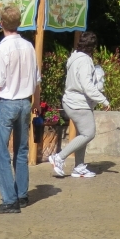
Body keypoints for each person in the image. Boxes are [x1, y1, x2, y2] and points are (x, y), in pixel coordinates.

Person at [0, 5, 40, 214]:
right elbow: (36, 79)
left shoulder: (3, 48)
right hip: (25, 101)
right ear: (19, 23)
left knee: (1, 152)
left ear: (1, 24)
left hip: (7, 103)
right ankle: (22, 194)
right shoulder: (29, 47)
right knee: (21, 150)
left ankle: (9, 200)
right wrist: (36, 102)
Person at [49, 32, 110, 178]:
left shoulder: (74, 57)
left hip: (70, 100)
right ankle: (59, 157)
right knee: (89, 133)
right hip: (78, 103)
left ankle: (79, 167)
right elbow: (87, 85)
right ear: (93, 47)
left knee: (83, 133)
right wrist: (103, 100)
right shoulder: (85, 61)